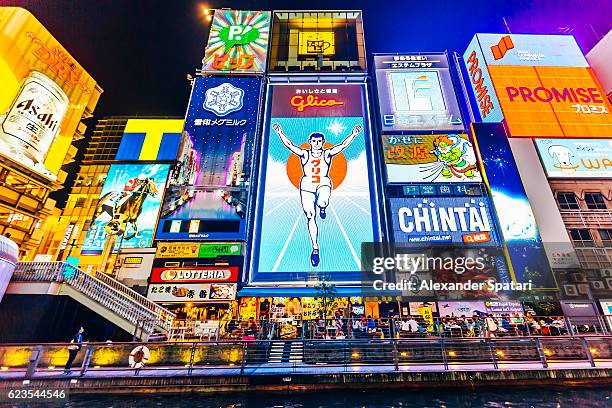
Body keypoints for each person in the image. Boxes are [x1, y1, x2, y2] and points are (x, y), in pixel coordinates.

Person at [272, 122, 362, 267]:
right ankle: (315, 248)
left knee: (322, 202)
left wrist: (354, 134)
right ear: (310, 142)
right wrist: (279, 132)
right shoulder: (304, 153)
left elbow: (343, 145)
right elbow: (290, 145)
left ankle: (322, 207)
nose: (317, 143)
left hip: (323, 183)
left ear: (323, 142)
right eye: (314, 141)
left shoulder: (327, 153)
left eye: (319, 141)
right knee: (309, 215)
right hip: (307, 186)